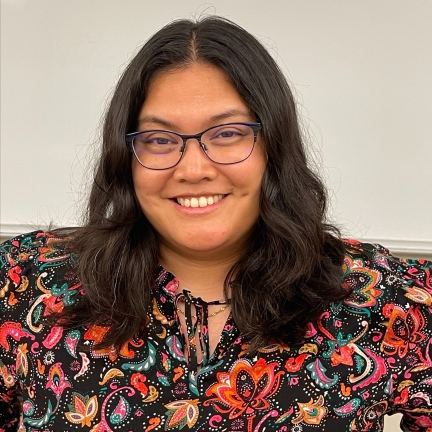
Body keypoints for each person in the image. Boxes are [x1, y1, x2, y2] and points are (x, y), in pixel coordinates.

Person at [0, 16, 431, 432]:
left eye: (226, 133)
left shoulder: (385, 298)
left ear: (273, 147)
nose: (193, 169)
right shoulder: (24, 285)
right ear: (126, 156)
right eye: (159, 139)